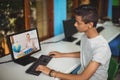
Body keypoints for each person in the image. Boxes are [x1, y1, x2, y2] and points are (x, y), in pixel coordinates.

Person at [36, 5, 111, 80]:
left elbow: (82, 78)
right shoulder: (85, 37)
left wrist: (51, 72)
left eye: (78, 23)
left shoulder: (101, 48)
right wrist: (62, 55)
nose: (75, 24)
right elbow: (85, 53)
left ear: (90, 25)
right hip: (81, 73)